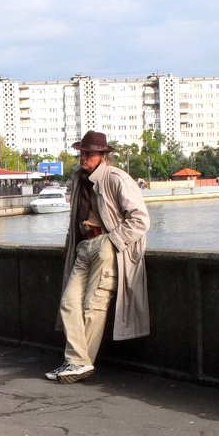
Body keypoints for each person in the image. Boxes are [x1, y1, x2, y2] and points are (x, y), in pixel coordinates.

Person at [46, 131, 151, 383]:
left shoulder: (116, 178)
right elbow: (74, 221)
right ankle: (78, 361)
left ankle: (78, 362)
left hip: (105, 243)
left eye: (89, 153)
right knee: (69, 303)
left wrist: (111, 240)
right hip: (84, 246)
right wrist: (70, 246)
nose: (84, 157)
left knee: (94, 305)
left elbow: (141, 220)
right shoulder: (79, 179)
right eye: (82, 152)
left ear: (103, 156)